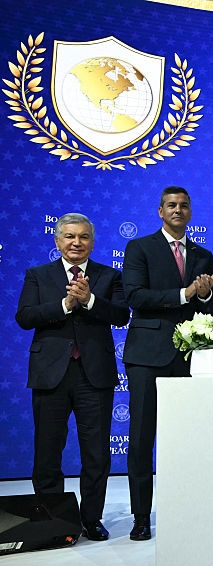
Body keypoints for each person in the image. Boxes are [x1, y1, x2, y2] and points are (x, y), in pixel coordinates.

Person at [15, 213, 130, 541]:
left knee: (96, 453)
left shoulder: (109, 276)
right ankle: (52, 520)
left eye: (83, 237)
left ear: (92, 242)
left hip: (94, 376)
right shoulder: (38, 275)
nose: (76, 243)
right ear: (57, 241)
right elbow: (24, 316)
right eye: (69, 236)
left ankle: (91, 519)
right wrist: (66, 304)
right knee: (47, 450)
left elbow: (121, 314)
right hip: (50, 375)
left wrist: (89, 300)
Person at [123, 186, 213, 540]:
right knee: (142, 439)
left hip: (190, 357)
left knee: (187, 440)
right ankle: (141, 517)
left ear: (190, 212)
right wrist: (186, 293)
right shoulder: (140, 247)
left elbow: (211, 306)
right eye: (171, 205)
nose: (178, 210)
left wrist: (206, 292)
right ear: (160, 211)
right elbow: (134, 296)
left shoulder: (202, 254)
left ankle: (187, 512)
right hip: (147, 357)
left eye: (184, 205)